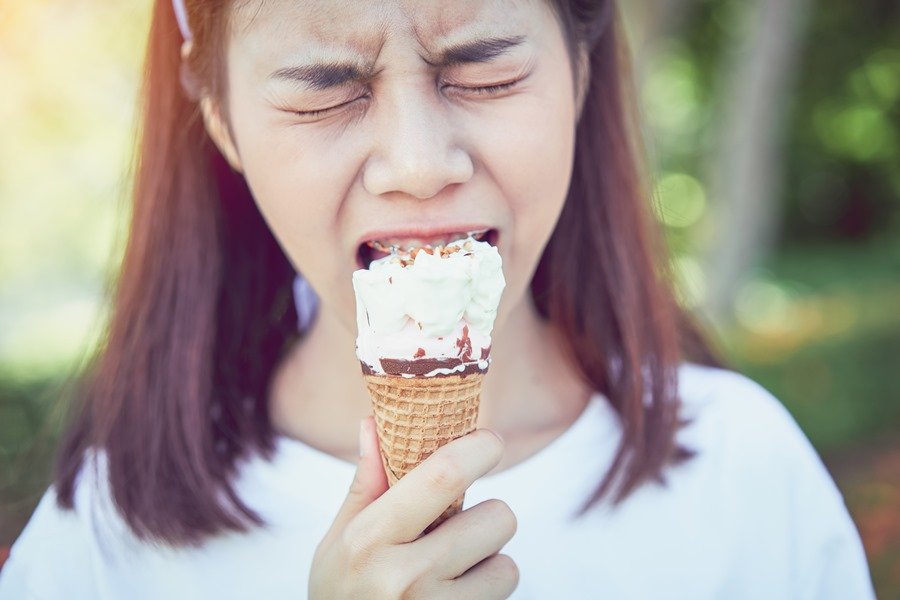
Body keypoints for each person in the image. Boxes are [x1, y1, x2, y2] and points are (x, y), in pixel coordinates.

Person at [0, 0, 875, 598]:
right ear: (222, 117)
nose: (418, 166)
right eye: (324, 89)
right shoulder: (103, 544)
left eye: (485, 74)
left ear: (580, 66)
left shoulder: (746, 475)